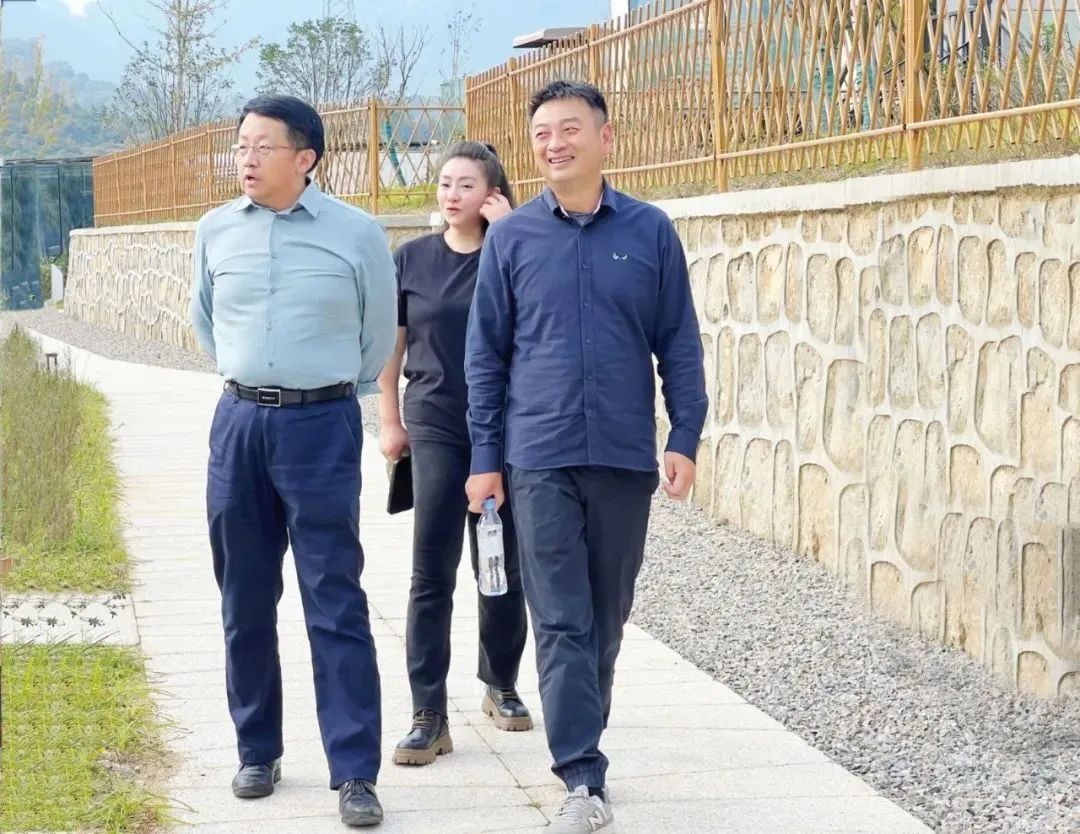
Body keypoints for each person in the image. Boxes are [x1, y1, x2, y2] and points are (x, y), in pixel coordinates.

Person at [464, 81, 707, 833]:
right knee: (561, 619)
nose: (554, 144)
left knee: (607, 616)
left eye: (569, 129)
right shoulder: (511, 239)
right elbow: (486, 356)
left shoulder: (650, 231)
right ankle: (580, 774)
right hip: (537, 454)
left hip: (624, 455)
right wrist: (485, 456)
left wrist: (684, 436)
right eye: (542, 133)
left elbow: (680, 342)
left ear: (606, 137)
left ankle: (582, 740)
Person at [189, 94, 395, 828]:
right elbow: (206, 322)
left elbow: (377, 337)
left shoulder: (356, 233)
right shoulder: (215, 230)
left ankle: (355, 771)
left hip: (321, 426)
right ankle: (257, 750)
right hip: (239, 425)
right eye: (241, 145)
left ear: (305, 158)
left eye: (263, 146)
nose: (246, 159)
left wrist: (319, 386)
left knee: (334, 598)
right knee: (243, 598)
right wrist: (253, 378)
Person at [377, 141, 533, 767]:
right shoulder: (411, 258)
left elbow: (536, 322)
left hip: (505, 426)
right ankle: (428, 713)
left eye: (466, 184)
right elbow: (392, 348)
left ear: (493, 193)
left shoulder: (513, 250)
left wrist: (509, 234)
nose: (451, 194)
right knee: (431, 571)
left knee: (501, 564)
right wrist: (389, 419)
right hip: (435, 421)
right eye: (445, 183)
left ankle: (501, 683)